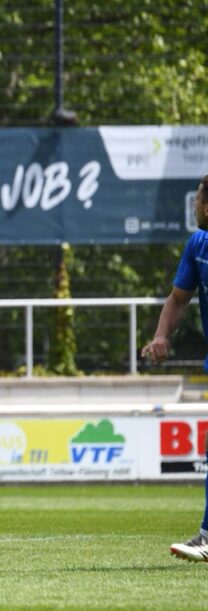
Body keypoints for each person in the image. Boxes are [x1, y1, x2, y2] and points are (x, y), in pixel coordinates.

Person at [143, 173, 208, 563]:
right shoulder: (198, 245)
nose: (195, 206)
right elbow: (179, 298)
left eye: (198, 200)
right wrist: (162, 335)